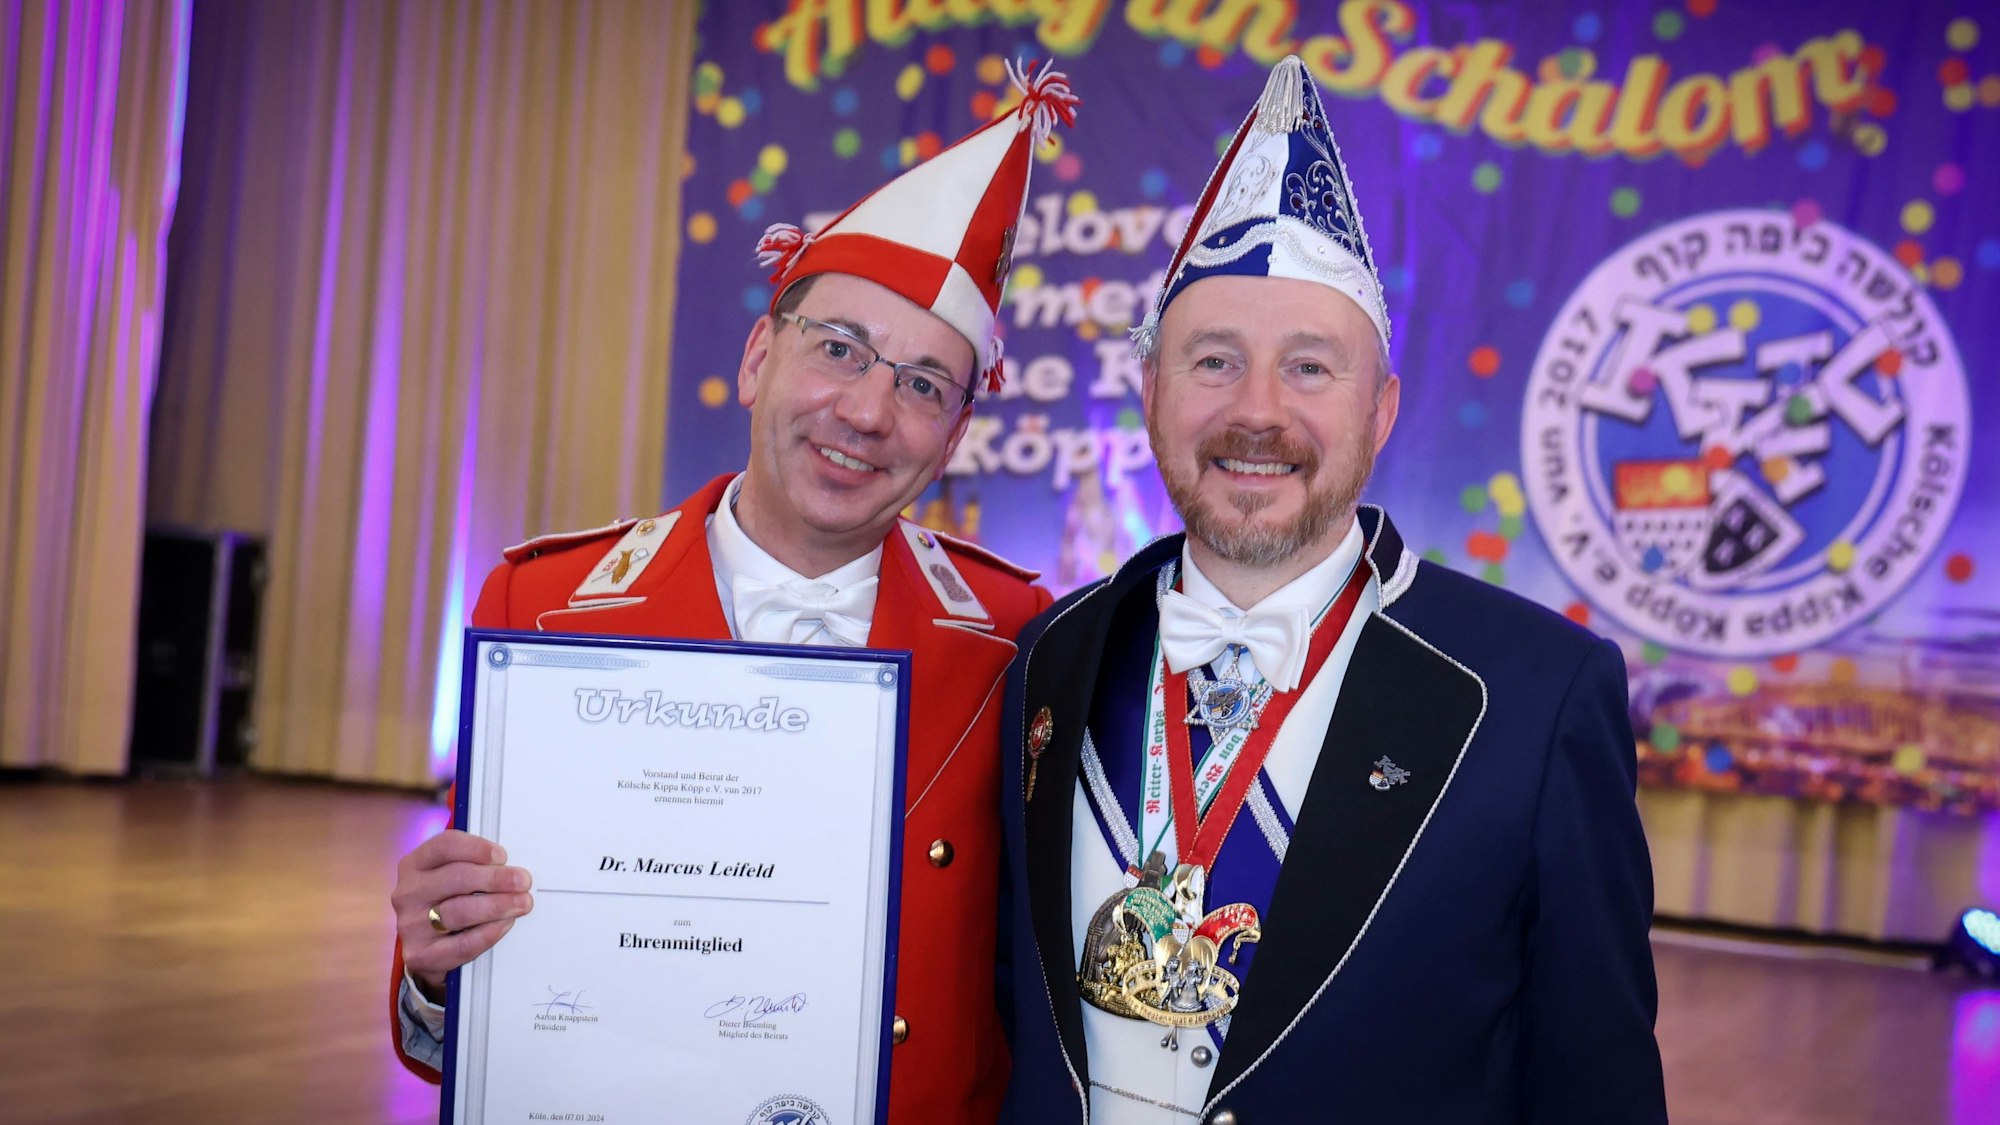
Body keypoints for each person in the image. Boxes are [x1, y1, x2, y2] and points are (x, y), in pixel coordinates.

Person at [388, 62, 1080, 1120]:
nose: (866, 410)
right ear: (759, 356)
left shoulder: (1012, 639)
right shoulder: (548, 608)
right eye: (838, 350)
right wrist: (437, 970)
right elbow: (468, 1000)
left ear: (954, 436)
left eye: (923, 385)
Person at [996, 56, 1666, 1123]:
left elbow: (1595, 1079)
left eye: (1309, 368)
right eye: (1213, 361)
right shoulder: (1052, 656)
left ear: (1381, 409)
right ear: (1149, 392)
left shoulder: (1535, 695)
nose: (1256, 412)